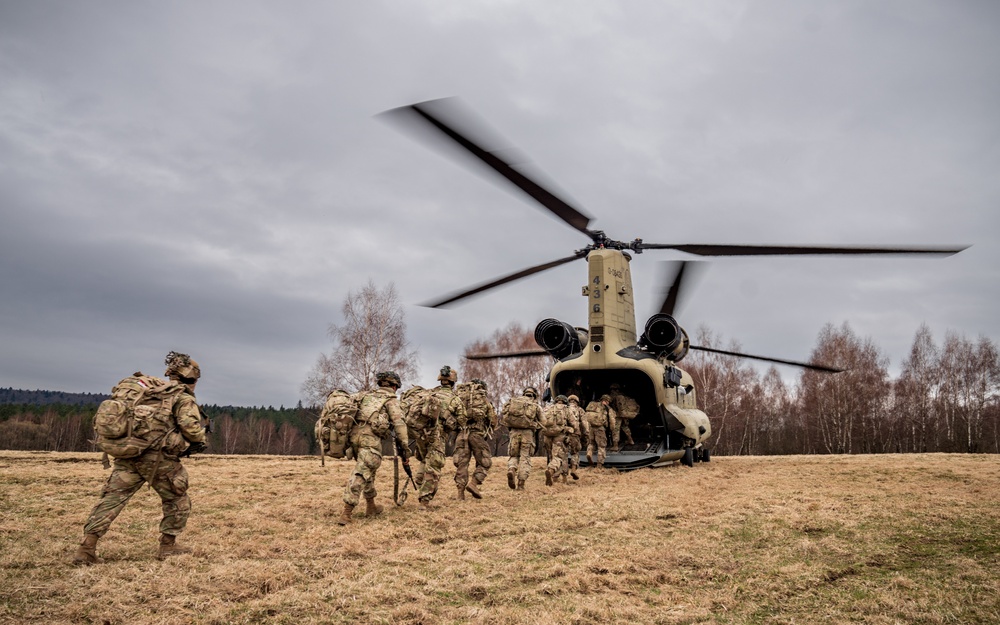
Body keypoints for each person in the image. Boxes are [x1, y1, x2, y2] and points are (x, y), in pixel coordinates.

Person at [73, 351, 208, 565]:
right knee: (177, 499)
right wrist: (200, 436)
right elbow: (191, 429)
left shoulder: (151, 392)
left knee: (111, 500)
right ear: (193, 377)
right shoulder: (181, 397)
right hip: (158, 460)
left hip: (129, 454)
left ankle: (87, 548)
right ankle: (168, 546)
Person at [338, 371, 410, 525]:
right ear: (394, 386)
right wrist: (405, 446)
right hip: (370, 440)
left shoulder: (366, 396)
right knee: (362, 473)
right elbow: (399, 425)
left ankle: (371, 507)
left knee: (368, 471)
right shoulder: (390, 400)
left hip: (355, 438)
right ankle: (346, 512)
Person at [415, 366, 466, 510]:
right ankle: (424, 501)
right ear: (453, 382)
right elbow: (462, 421)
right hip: (437, 435)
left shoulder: (429, 394)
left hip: (421, 434)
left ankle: (420, 479)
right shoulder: (455, 399)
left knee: (426, 459)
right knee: (434, 466)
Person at [452, 378, 497, 500]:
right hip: (476, 435)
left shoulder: (459, 398)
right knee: (486, 462)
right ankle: (474, 483)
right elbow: (493, 421)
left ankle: (460, 494)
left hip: (461, 434)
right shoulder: (484, 401)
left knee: (462, 465)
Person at [500, 386, 543, 490]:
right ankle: (521, 484)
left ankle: (512, 469)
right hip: (527, 434)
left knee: (514, 455)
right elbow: (544, 421)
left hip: (514, 432)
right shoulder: (535, 405)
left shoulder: (514, 402)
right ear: (534, 395)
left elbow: (504, 414)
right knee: (525, 457)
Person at [540, 395, 573, 486]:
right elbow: (574, 423)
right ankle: (552, 471)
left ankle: (554, 478)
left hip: (547, 435)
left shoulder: (547, 408)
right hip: (559, 435)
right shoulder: (566, 409)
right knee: (559, 456)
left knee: (551, 455)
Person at [585, 394, 617, 469]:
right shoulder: (607, 408)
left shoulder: (592, 404)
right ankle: (599, 465)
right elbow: (612, 421)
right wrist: (612, 429)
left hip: (590, 427)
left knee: (591, 443)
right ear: (607, 401)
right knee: (601, 446)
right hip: (600, 428)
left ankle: (589, 453)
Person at [608, 383, 639, 448]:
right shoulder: (623, 395)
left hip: (617, 415)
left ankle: (615, 446)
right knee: (625, 427)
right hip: (624, 414)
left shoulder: (612, 395)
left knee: (615, 429)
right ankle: (630, 440)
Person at [564, 394, 586, 480]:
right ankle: (573, 469)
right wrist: (586, 435)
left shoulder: (563, 408)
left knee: (563, 455)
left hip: (563, 433)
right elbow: (584, 424)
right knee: (575, 452)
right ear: (577, 402)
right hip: (575, 434)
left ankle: (564, 478)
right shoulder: (579, 410)